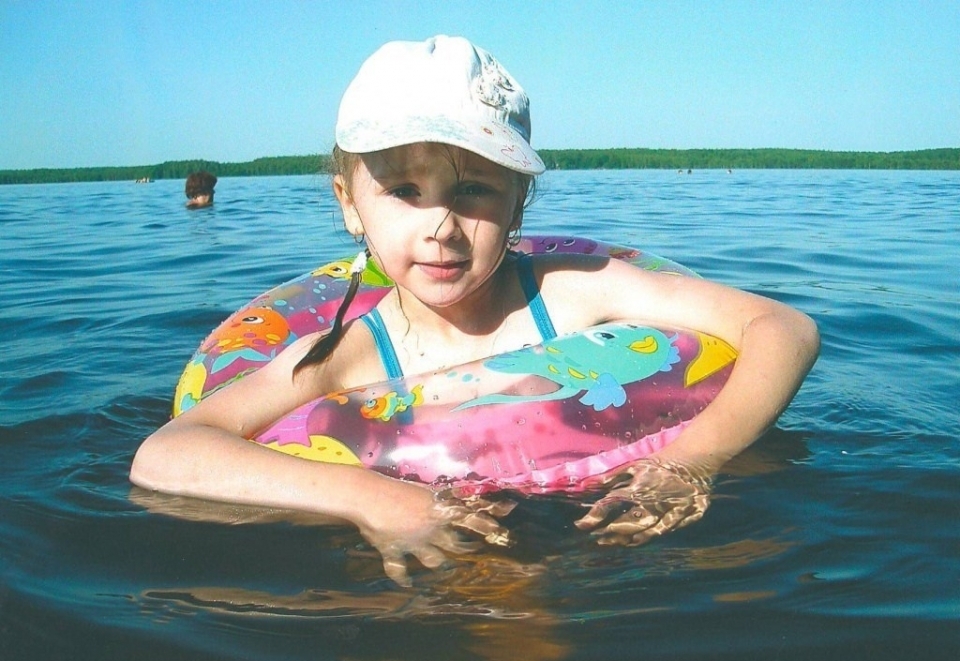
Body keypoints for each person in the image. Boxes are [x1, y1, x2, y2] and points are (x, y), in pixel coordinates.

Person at [132, 35, 819, 586]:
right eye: (404, 190)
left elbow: (784, 327)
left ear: (518, 203)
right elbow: (167, 453)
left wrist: (693, 462)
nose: (441, 227)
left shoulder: (573, 292)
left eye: (475, 191)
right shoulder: (348, 356)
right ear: (349, 204)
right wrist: (374, 499)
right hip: (445, 548)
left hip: (624, 526)